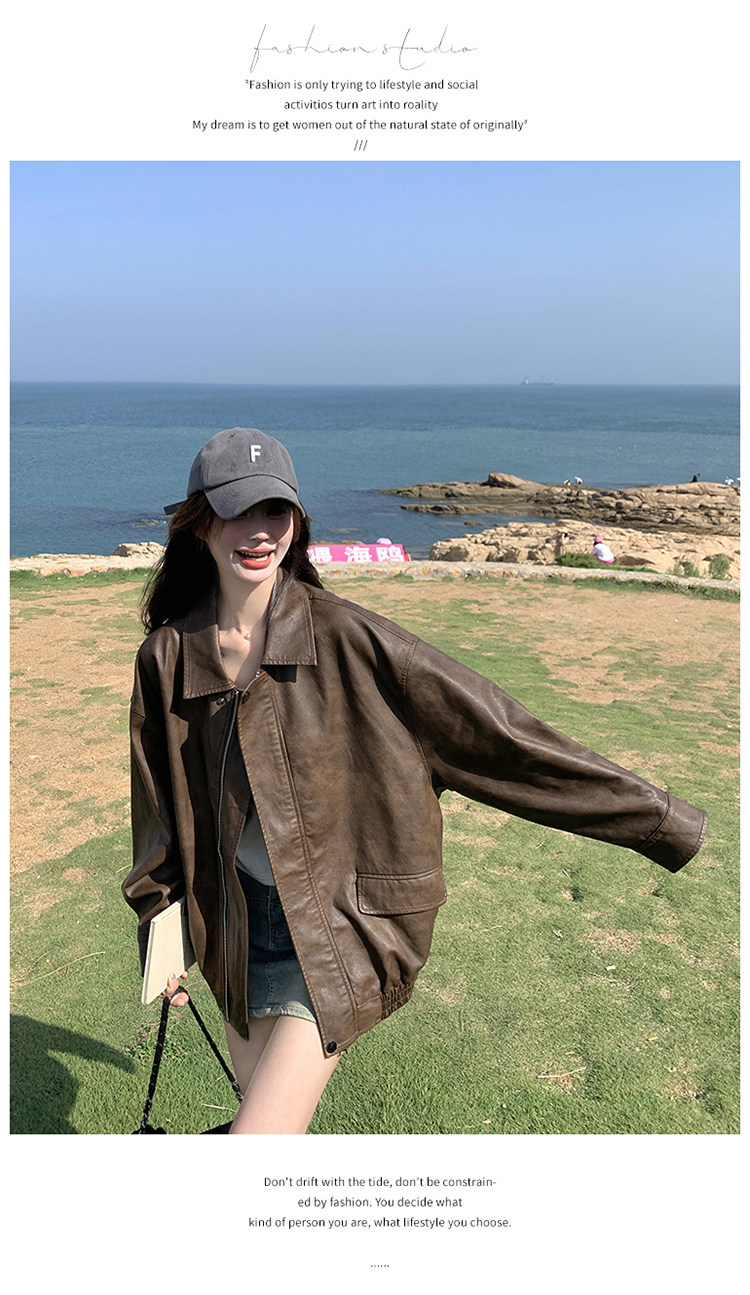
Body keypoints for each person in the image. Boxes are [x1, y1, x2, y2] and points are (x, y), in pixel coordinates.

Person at [123, 427, 707, 1135]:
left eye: (274, 510)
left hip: (339, 924)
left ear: (296, 522)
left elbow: (500, 736)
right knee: (272, 1129)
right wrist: (161, 921)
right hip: (236, 929)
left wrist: (657, 818)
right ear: (200, 523)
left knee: (260, 1137)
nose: (259, 531)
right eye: (236, 510)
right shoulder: (167, 657)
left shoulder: (352, 640)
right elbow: (158, 804)